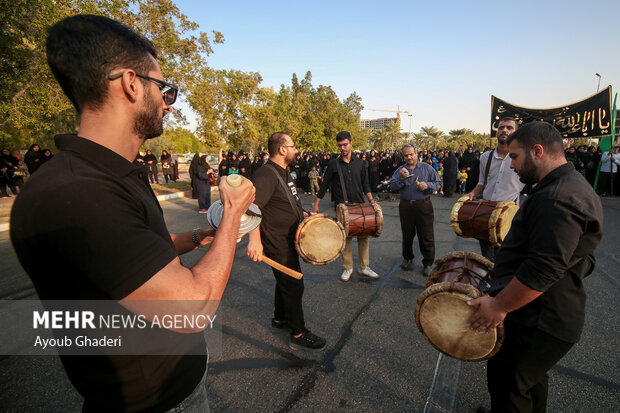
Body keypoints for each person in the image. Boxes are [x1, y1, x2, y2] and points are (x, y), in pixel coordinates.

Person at [10, 14, 255, 412]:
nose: (168, 104)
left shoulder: (110, 173)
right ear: (129, 83)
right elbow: (191, 310)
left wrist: (198, 237)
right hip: (156, 402)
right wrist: (232, 216)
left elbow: (136, 261)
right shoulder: (79, 192)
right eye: (164, 89)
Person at [467, 121, 603, 413]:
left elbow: (545, 268)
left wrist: (499, 306)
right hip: (543, 312)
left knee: (509, 386)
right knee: (529, 381)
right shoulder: (568, 186)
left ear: (537, 151)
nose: (512, 165)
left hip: (539, 320)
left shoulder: (558, 199)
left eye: (515, 157)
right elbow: (582, 258)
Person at [247, 132, 326, 350]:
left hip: (289, 236)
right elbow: (252, 207)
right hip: (277, 240)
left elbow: (287, 201)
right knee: (293, 283)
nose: (296, 150)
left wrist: (304, 215)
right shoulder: (265, 174)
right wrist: (255, 241)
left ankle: (280, 318)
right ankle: (299, 332)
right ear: (282, 150)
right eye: (293, 146)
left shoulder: (283, 172)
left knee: (284, 280)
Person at [311, 131, 379, 282]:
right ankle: (348, 268)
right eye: (340, 145)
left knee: (363, 236)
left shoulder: (360, 163)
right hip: (341, 206)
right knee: (345, 238)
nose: (343, 148)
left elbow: (365, 184)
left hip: (360, 205)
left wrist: (371, 200)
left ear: (351, 143)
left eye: (345, 144)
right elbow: (325, 185)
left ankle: (364, 267)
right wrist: (316, 204)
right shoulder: (333, 164)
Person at [465, 117, 524, 261]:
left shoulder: (523, 157)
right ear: (496, 132)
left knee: (503, 256)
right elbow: (482, 182)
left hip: (508, 215)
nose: (504, 130)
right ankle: (488, 280)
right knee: (486, 256)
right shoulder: (486, 157)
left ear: (517, 133)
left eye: (509, 128)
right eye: (501, 127)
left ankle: (499, 281)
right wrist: (472, 194)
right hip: (486, 212)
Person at [389, 144, 441, 276]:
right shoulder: (400, 170)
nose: (409, 157)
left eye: (411, 154)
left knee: (426, 235)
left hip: (423, 205)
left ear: (416, 154)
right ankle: (407, 258)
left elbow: (438, 183)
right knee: (407, 234)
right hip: (406, 206)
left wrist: (427, 185)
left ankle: (428, 263)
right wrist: (401, 179)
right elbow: (393, 187)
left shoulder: (427, 168)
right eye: (406, 155)